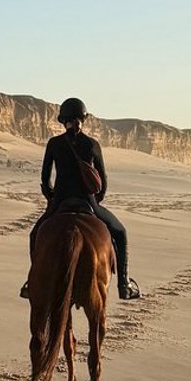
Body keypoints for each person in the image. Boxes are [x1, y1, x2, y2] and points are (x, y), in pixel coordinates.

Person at [35, 98, 139, 299]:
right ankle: (124, 284)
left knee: (35, 235)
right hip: (87, 202)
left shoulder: (54, 144)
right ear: (83, 118)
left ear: (63, 120)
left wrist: (52, 198)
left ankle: (34, 282)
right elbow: (103, 182)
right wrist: (95, 200)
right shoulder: (92, 144)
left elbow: (45, 178)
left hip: (60, 201)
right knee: (120, 232)